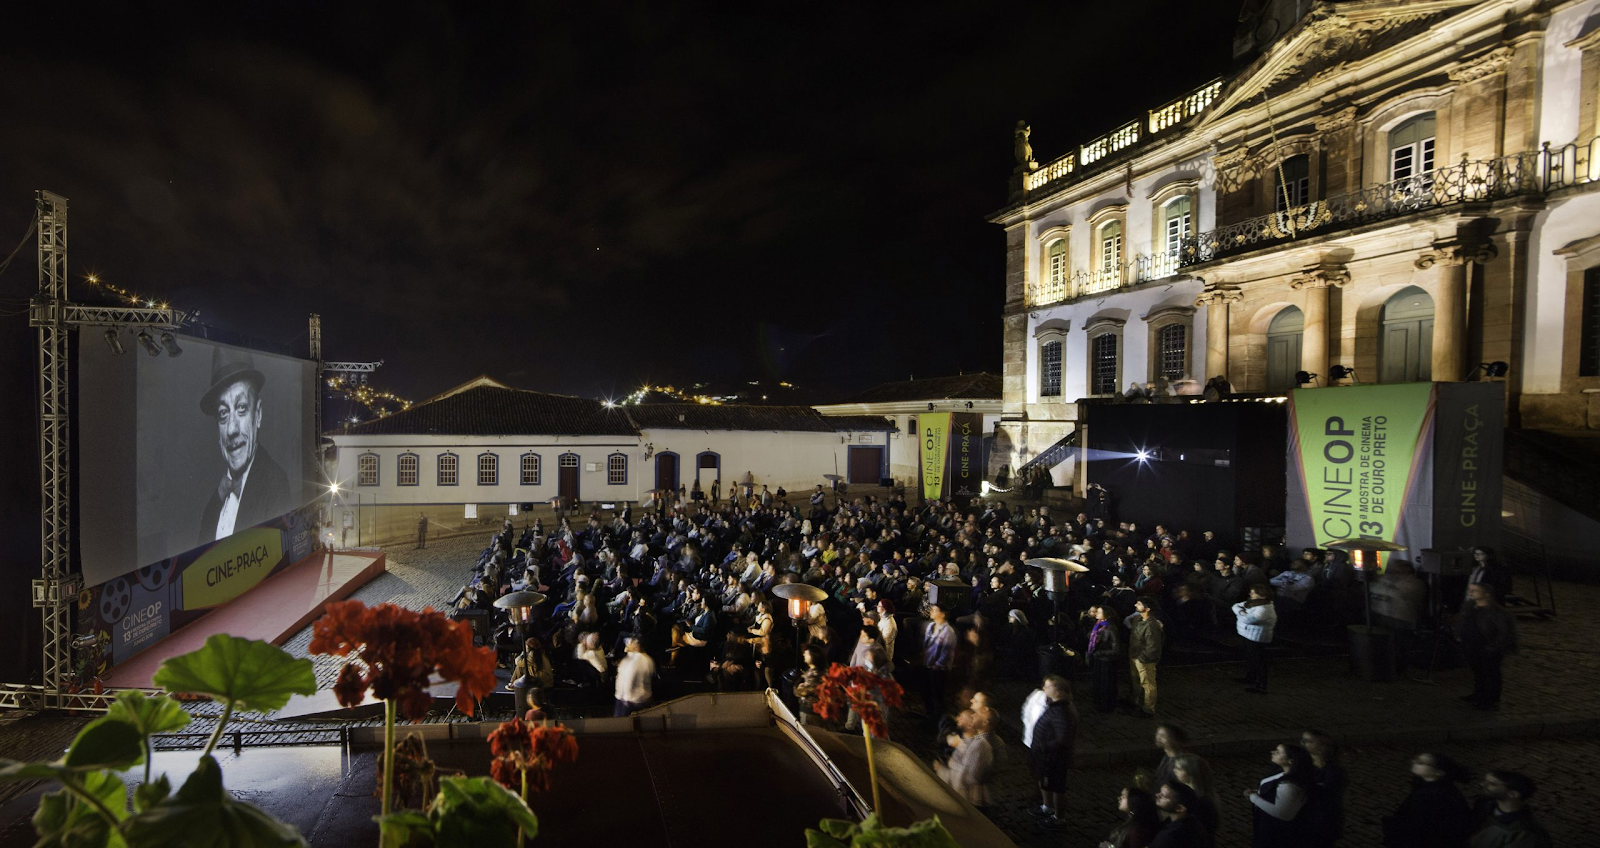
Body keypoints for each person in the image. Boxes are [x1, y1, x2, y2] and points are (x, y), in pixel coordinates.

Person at [198, 346, 290, 545]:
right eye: (223, 413)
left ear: (257, 415)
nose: (232, 429)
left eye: (241, 408)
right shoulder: (213, 504)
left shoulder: (275, 484)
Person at [1382, 752, 1472, 848]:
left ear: (1439, 772)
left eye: (1421, 762)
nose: (1414, 762)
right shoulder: (1437, 787)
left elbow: (1417, 829)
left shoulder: (1431, 796)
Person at [1456, 582, 1517, 711]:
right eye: (1470, 590)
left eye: (1475, 591)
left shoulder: (1498, 612)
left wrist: (1493, 647)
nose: (1471, 593)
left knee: (1490, 674)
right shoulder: (1470, 606)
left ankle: (1490, 700)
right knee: (1478, 672)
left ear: (1486, 594)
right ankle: (1478, 694)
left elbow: (1505, 632)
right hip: (1472, 646)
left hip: (1488, 648)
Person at [1027, 675, 1078, 823]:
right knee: (1047, 783)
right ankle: (1047, 807)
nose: (1044, 688)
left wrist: (1043, 747)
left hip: (1054, 758)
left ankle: (1058, 818)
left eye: (1048, 686)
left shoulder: (1062, 711)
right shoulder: (1057, 706)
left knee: (1057, 788)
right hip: (1047, 757)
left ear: (1059, 691)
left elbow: (1062, 739)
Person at [1245, 743, 1315, 847]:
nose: (1273, 752)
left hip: (1276, 832)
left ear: (1290, 761)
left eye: (1278, 752)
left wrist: (1254, 797)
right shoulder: (1285, 774)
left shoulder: (1289, 785)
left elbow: (1283, 813)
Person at [1470, 770, 1551, 848]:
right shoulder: (1483, 805)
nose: (1482, 784)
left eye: (1492, 784)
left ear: (1513, 794)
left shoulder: (1524, 833)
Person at [940, 708, 998, 810]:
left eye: (978, 713)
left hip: (968, 801)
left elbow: (970, 777)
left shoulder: (980, 745)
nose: (974, 714)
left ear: (985, 723)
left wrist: (944, 770)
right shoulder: (976, 742)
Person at [1301, 729, 1347, 847]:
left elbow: (1327, 796)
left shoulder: (1334, 771)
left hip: (1322, 821)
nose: (1303, 743)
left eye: (1308, 741)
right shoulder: (1304, 763)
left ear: (1322, 747)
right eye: (1303, 740)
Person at [1233, 584, 1277, 694]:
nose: (1250, 594)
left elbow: (1248, 619)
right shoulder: (1253, 603)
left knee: (1258, 660)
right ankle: (1251, 677)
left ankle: (1261, 685)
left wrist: (1241, 613)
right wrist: (1241, 612)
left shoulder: (1264, 609)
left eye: (1253, 593)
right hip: (1248, 635)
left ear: (1262, 595)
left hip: (1257, 638)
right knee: (1251, 658)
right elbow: (1235, 606)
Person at [1128, 598, 1164, 715]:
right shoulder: (1139, 619)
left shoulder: (1151, 626)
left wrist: (1142, 659)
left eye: (1139, 604)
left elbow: (1153, 646)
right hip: (1136, 655)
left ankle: (1148, 708)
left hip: (1144, 659)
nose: (1135, 605)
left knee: (1148, 684)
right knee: (1136, 680)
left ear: (1147, 609)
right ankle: (1135, 701)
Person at [1172, 753, 1220, 840]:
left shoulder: (1200, 801)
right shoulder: (1198, 794)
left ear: (1190, 773)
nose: (1174, 770)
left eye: (1178, 768)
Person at [1151, 781, 1211, 848]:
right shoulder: (1195, 824)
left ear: (1179, 808)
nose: (1157, 795)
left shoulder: (1168, 837)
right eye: (1160, 792)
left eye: (1163, 796)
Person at [922, 603, 956, 722]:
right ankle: (929, 715)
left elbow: (946, 652)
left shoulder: (948, 632)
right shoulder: (930, 626)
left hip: (939, 669)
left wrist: (937, 665)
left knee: (937, 695)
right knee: (927, 692)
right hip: (927, 664)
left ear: (942, 614)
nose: (931, 612)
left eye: (935, 610)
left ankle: (938, 721)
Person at [613, 637, 655, 716]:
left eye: (629, 643)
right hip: (636, 699)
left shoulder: (636, 661)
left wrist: (625, 700)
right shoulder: (647, 659)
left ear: (637, 646)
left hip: (630, 701)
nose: (626, 645)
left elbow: (629, 680)